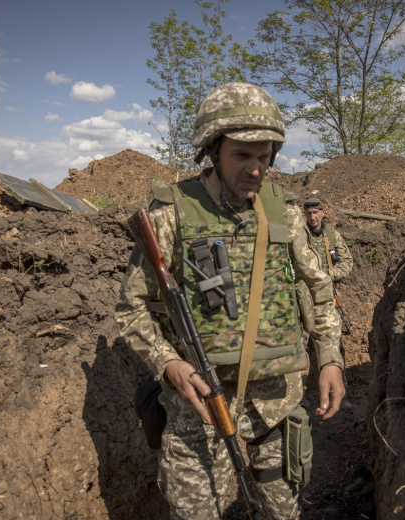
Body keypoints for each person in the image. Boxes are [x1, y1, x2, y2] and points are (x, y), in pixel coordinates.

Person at [115, 82, 345, 520]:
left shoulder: (284, 211)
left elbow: (319, 288)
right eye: (242, 155)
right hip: (200, 405)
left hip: (276, 402)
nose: (255, 169)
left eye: (264, 156)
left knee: (282, 512)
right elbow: (132, 308)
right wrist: (168, 363)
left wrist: (330, 358)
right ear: (213, 151)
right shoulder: (171, 214)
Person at [302, 199, 354, 405]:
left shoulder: (331, 235)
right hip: (302, 297)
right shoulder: (298, 234)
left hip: (326, 296)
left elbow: (347, 262)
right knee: (302, 345)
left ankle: (340, 393)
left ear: (323, 212)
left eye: (316, 212)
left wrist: (326, 276)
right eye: (308, 213)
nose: (312, 217)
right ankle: (304, 395)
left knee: (334, 343)